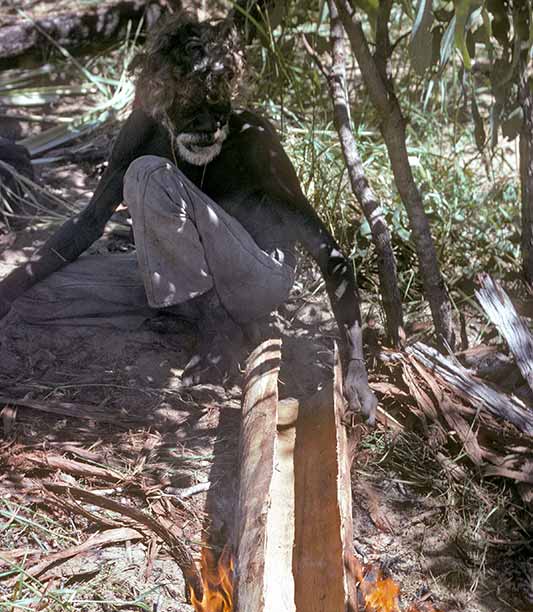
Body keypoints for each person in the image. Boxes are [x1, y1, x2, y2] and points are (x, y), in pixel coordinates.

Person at [0, 11, 377, 423]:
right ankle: (200, 314)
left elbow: (327, 251)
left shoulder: (251, 139)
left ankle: (218, 326)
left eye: (215, 101)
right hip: (194, 277)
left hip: (258, 276)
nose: (204, 121)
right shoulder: (145, 131)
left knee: (146, 174)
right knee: (43, 294)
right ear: (162, 99)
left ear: (230, 90)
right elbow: (89, 222)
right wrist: (9, 287)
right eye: (190, 104)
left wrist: (356, 362)